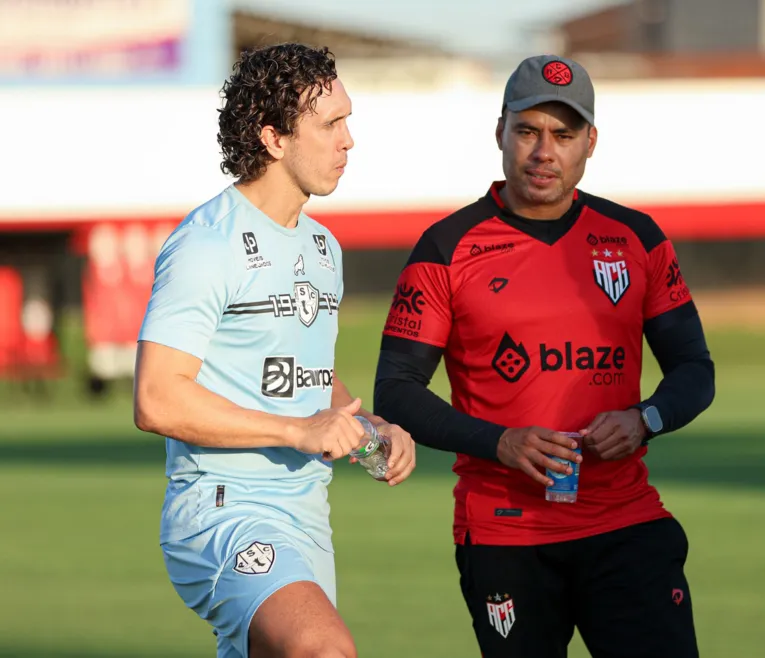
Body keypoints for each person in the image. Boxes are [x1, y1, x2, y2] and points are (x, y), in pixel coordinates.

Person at [373, 54, 714, 658]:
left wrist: (645, 419)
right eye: (527, 130)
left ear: (591, 142)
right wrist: (500, 442)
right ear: (499, 132)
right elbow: (396, 390)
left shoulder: (637, 238)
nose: (543, 151)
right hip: (506, 532)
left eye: (563, 134)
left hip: (625, 521)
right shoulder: (445, 248)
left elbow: (694, 369)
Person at [133, 43, 415, 658]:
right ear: (274, 138)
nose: (349, 140)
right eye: (330, 124)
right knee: (325, 650)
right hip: (222, 510)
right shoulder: (207, 245)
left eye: (348, 119)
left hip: (306, 514)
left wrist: (371, 431)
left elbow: (307, 379)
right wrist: (296, 432)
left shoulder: (322, 247)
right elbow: (156, 400)